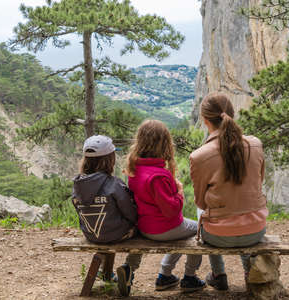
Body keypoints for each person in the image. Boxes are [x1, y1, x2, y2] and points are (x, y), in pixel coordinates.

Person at [190, 92, 268, 291]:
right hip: (256, 230)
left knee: (202, 213)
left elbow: (200, 203)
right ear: (232, 114)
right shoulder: (256, 144)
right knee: (243, 207)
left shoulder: (200, 156)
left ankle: (218, 274)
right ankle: (248, 273)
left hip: (218, 235)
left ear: (205, 120)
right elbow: (259, 182)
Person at [125, 119, 206, 293]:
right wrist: (179, 192)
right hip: (165, 228)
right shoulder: (159, 176)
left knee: (183, 233)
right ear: (165, 144)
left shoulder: (134, 170)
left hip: (144, 227)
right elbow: (171, 211)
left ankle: (165, 275)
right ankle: (188, 277)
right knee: (199, 230)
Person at [72, 135, 142, 297]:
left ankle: (105, 273)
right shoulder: (114, 184)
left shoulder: (77, 185)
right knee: (144, 229)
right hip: (117, 234)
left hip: (91, 234)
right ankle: (129, 269)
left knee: (108, 226)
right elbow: (131, 213)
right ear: (110, 160)